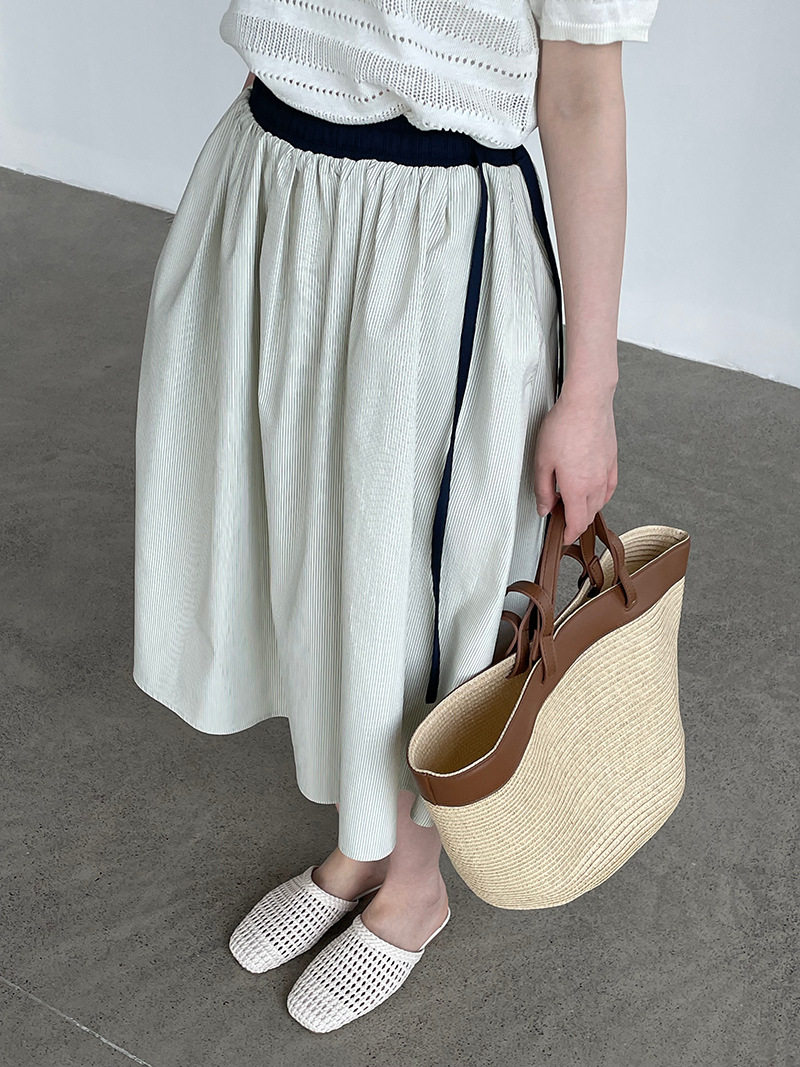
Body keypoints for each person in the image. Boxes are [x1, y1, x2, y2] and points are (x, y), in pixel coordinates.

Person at [133, 0, 660, 1033]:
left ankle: (413, 885)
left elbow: (583, 100)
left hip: (430, 228)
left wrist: (590, 388)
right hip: (272, 178)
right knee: (308, 537)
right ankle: (360, 843)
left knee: (414, 578)